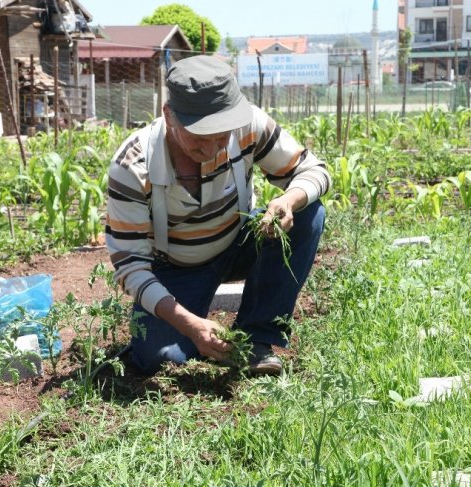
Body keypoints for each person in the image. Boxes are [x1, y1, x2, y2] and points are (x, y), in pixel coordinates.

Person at [105, 55, 330, 375]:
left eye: (221, 133)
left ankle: (256, 337)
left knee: (310, 212)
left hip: (237, 242)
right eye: (199, 136)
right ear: (169, 115)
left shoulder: (249, 125)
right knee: (161, 358)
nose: (212, 146)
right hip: (176, 266)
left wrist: (289, 200)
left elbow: (313, 170)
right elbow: (130, 267)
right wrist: (189, 324)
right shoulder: (132, 165)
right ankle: (188, 332)